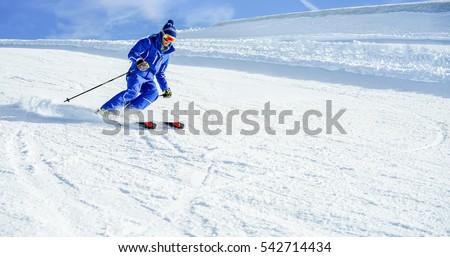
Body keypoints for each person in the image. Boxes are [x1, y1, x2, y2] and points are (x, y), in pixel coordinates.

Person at [97, 20, 177, 116]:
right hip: (137, 74)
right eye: (167, 37)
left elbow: (160, 73)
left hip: (149, 79)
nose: (168, 41)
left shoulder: (166, 55)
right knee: (133, 92)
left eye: (171, 39)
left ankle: (129, 111)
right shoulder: (148, 42)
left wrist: (165, 88)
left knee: (153, 93)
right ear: (162, 33)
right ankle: (106, 109)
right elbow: (133, 53)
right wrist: (139, 61)